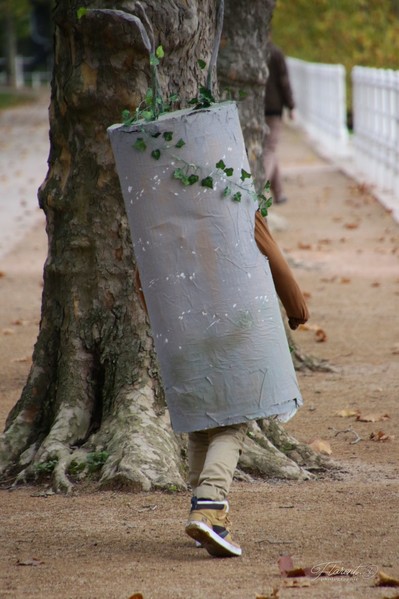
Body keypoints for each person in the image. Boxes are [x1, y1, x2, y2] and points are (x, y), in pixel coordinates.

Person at [135, 210, 309, 558]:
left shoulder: (160, 209)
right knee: (234, 423)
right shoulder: (237, 202)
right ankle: (210, 506)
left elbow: (144, 277)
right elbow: (272, 257)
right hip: (234, 328)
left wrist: (164, 322)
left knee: (202, 424)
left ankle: (204, 514)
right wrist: (297, 309)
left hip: (183, 330)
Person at [264, 40, 295, 205]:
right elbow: (284, 81)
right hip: (274, 108)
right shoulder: (275, 52)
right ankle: (261, 187)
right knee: (269, 150)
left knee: (269, 150)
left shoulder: (255, 51)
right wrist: (291, 105)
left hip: (257, 107)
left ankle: (279, 193)